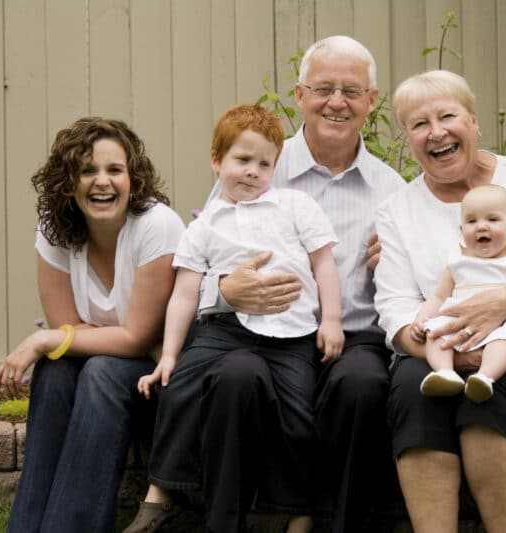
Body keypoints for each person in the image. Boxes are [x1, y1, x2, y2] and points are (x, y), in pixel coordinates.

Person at [196, 36, 406, 532]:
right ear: (299, 95)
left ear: (371, 102)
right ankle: (223, 523)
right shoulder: (253, 167)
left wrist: (397, 264)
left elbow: (414, 282)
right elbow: (200, 261)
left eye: (352, 91)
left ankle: (347, 524)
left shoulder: (391, 191)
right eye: (324, 88)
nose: (337, 102)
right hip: (259, 334)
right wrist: (225, 291)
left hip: (352, 337)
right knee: (234, 377)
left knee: (363, 385)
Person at [374, 69, 506, 532]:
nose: (437, 132)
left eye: (447, 116)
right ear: (407, 138)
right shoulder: (398, 210)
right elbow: (394, 303)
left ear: (473, 123)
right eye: (419, 124)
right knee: (413, 391)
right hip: (438, 346)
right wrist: (439, 341)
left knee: (488, 401)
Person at [123, 104, 341, 533]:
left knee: (299, 415)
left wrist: (331, 320)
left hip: (291, 332)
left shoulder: (295, 206)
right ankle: (162, 492)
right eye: (243, 160)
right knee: (181, 386)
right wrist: (168, 355)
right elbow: (186, 293)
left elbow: (324, 265)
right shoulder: (204, 226)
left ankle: (298, 511)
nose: (253, 172)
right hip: (223, 330)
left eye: (265, 164)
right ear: (216, 159)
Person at [0, 117, 184, 532]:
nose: (103, 182)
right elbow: (68, 330)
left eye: (115, 170)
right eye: (87, 171)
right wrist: (56, 339)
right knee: (57, 370)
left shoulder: (156, 225)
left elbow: (139, 336)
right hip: (102, 378)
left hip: (162, 379)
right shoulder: (55, 231)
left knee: (96, 370)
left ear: (133, 177)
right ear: (69, 181)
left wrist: (46, 338)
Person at [415, 184, 506, 402]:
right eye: (472, 221)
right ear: (462, 230)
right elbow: (439, 297)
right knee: (434, 333)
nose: (481, 227)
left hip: (502, 324)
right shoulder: (457, 258)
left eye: (492, 219)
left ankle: (485, 377)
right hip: (460, 324)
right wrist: (423, 317)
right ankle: (445, 372)